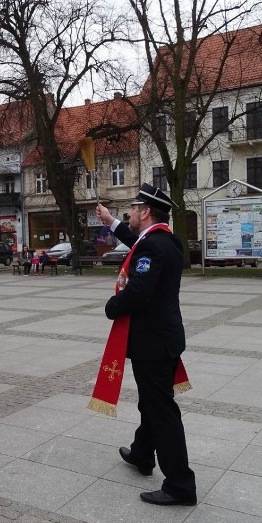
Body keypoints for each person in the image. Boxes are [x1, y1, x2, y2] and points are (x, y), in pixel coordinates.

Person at [94, 183, 197, 506]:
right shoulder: (166, 241)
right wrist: (110, 221)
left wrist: (112, 307)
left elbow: (139, 293)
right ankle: (142, 453)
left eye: (134, 209)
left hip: (152, 343)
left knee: (162, 410)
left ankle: (180, 485)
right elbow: (135, 242)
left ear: (146, 212)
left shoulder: (153, 247)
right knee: (152, 402)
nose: (130, 213)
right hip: (163, 338)